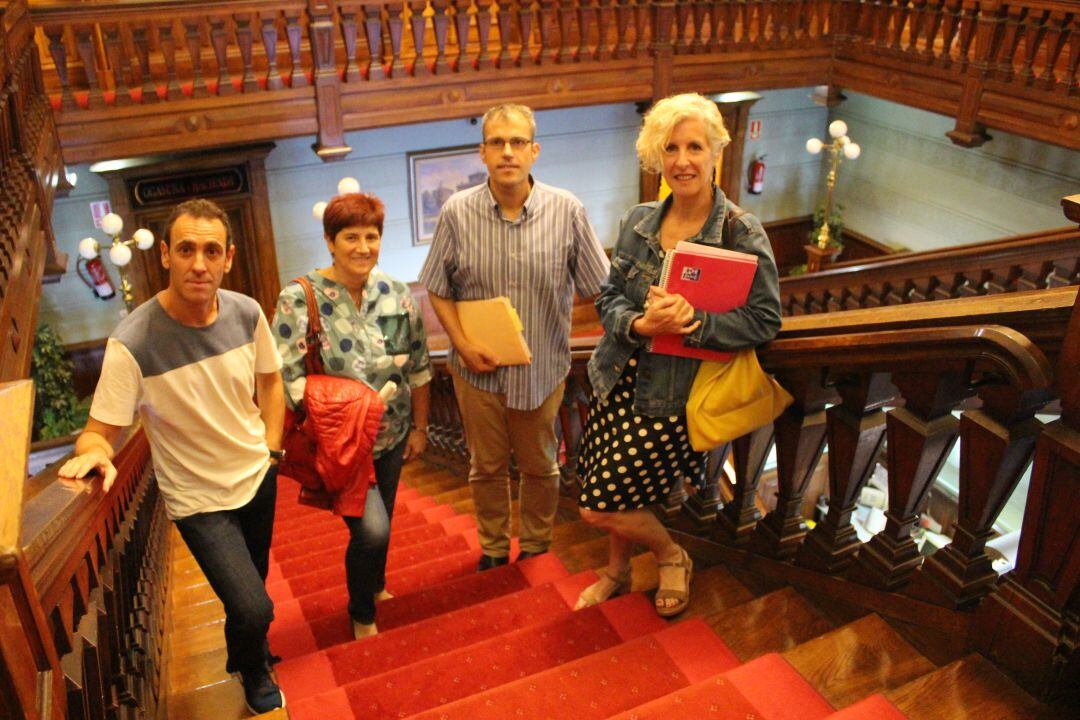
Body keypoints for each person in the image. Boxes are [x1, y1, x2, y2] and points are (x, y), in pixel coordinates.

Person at [58, 199, 287, 713]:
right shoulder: (133, 341)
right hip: (197, 499)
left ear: (228, 258)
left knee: (252, 588)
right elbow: (99, 431)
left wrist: (272, 449)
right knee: (254, 606)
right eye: (186, 249)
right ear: (165, 255)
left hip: (256, 477)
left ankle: (244, 649)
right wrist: (93, 453)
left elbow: (271, 383)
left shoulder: (247, 311)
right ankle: (254, 669)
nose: (199, 263)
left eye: (211, 251)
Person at [575, 93, 782, 616]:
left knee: (597, 507)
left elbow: (764, 320)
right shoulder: (640, 219)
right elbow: (608, 297)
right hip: (614, 375)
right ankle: (616, 572)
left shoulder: (740, 230)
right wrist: (642, 323)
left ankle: (671, 555)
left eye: (695, 146)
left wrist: (693, 324)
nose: (683, 160)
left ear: (715, 152)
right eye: (671, 148)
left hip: (674, 395)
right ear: (657, 156)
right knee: (619, 494)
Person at [419, 103, 610, 571]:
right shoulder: (456, 213)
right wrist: (461, 345)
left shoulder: (567, 210)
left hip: (541, 370)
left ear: (534, 150)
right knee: (484, 467)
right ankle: (493, 548)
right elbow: (437, 288)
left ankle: (538, 545)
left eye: (518, 142)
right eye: (497, 143)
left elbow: (601, 288)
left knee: (541, 466)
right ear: (482, 153)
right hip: (475, 372)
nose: (508, 151)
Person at [272, 192, 431, 639]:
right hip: (340, 443)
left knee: (386, 519)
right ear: (329, 240)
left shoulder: (398, 295)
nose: (363, 246)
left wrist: (420, 428)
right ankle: (361, 611)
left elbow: (419, 366)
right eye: (350, 237)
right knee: (373, 531)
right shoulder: (299, 298)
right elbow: (284, 375)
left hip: (392, 433)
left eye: (372, 236)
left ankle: (376, 584)